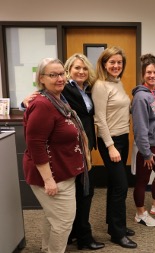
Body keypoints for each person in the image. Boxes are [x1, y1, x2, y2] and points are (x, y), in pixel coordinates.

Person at [22, 54, 104, 250]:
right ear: (41, 78)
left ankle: (47, 249)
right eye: (53, 75)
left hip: (65, 169)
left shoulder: (58, 99)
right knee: (64, 221)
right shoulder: (43, 104)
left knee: (53, 218)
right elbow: (35, 144)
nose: (59, 79)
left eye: (61, 74)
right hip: (52, 173)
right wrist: (48, 179)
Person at [92, 46, 137, 248]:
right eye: (112, 62)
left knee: (114, 185)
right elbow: (99, 119)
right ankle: (117, 234)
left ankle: (114, 224)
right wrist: (110, 146)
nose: (116, 65)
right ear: (103, 64)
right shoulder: (101, 85)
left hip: (122, 138)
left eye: (119, 62)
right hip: (110, 141)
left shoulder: (117, 83)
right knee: (121, 186)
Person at [62, 54, 104, 250]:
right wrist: (25, 101)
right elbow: (43, 94)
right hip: (73, 147)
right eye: (77, 68)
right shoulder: (65, 88)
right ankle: (84, 238)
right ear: (69, 69)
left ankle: (73, 233)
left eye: (85, 68)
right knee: (85, 192)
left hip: (85, 146)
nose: (81, 71)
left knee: (81, 191)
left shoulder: (86, 89)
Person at [131, 53, 155, 227]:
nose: (152, 75)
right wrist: (146, 153)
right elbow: (140, 128)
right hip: (146, 147)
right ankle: (140, 213)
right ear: (142, 75)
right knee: (142, 180)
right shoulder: (141, 97)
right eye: (148, 73)